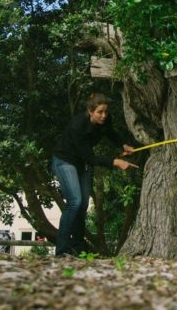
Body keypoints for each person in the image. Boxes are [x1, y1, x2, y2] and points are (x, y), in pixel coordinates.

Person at [51, 93, 136, 257]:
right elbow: (90, 157)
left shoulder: (105, 119)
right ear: (90, 111)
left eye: (105, 111)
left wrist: (123, 145)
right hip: (65, 161)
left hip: (82, 163)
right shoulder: (78, 126)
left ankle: (77, 247)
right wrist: (116, 162)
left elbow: (110, 132)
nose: (104, 115)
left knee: (83, 205)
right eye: (100, 112)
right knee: (75, 202)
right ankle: (62, 250)